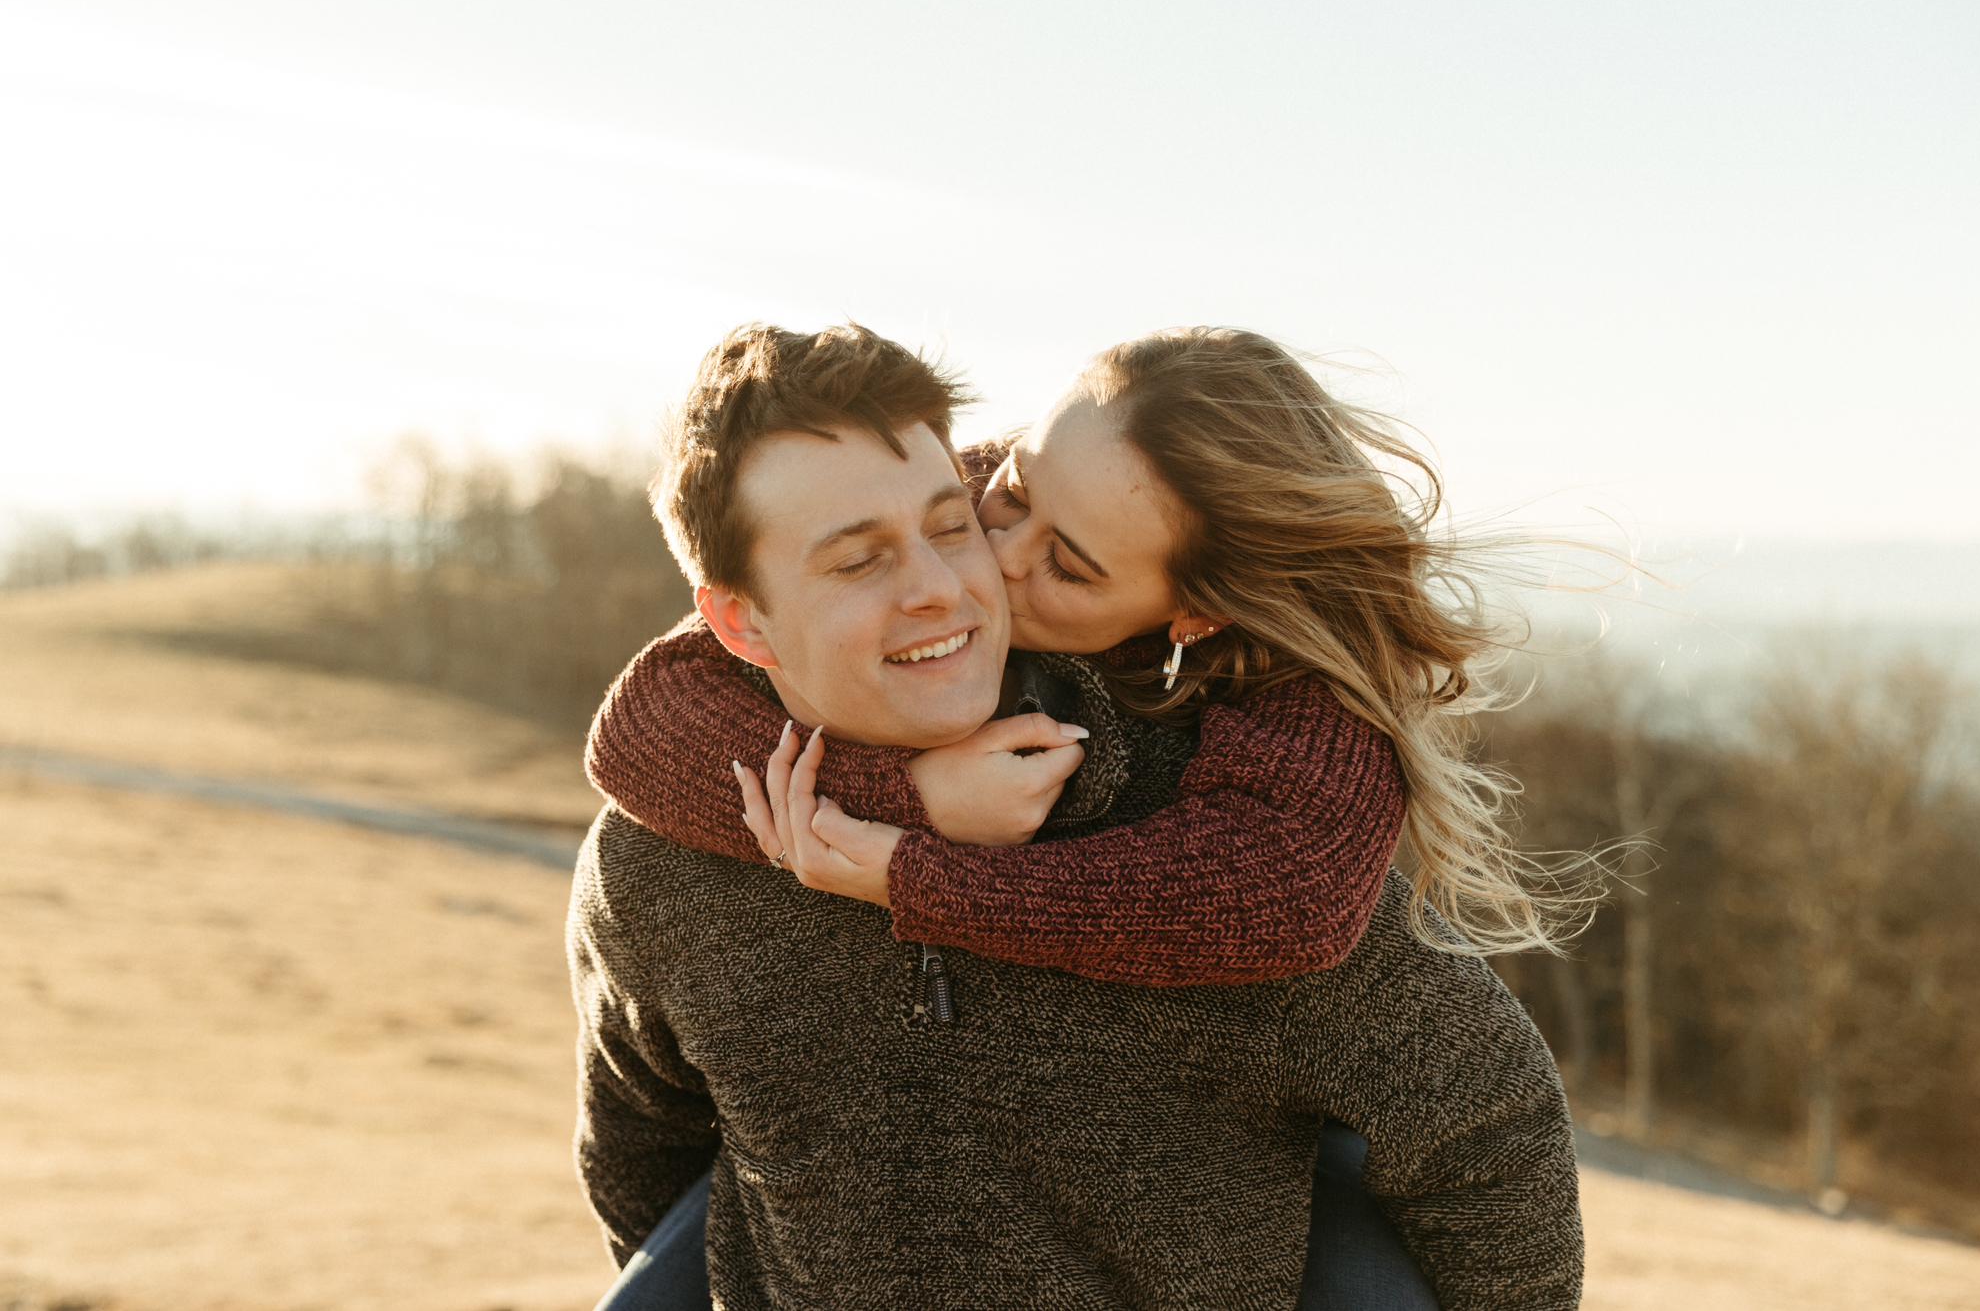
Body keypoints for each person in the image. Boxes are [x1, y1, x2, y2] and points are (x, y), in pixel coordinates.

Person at [569, 322, 1584, 1310]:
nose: (959, 580)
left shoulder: (1223, 837)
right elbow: (645, 1164)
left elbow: (1486, 1127)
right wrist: (905, 799)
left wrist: (919, 868)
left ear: (1191, 610)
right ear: (740, 618)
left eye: (951, 528)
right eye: (858, 559)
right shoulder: (662, 854)